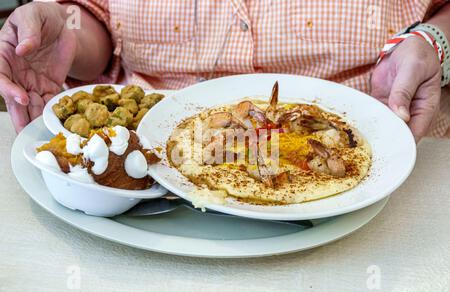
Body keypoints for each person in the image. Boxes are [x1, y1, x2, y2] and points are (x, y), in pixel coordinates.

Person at [0, 0, 449, 141]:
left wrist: (436, 42)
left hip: (369, 151)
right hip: (143, 169)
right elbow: (98, 21)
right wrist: (70, 35)